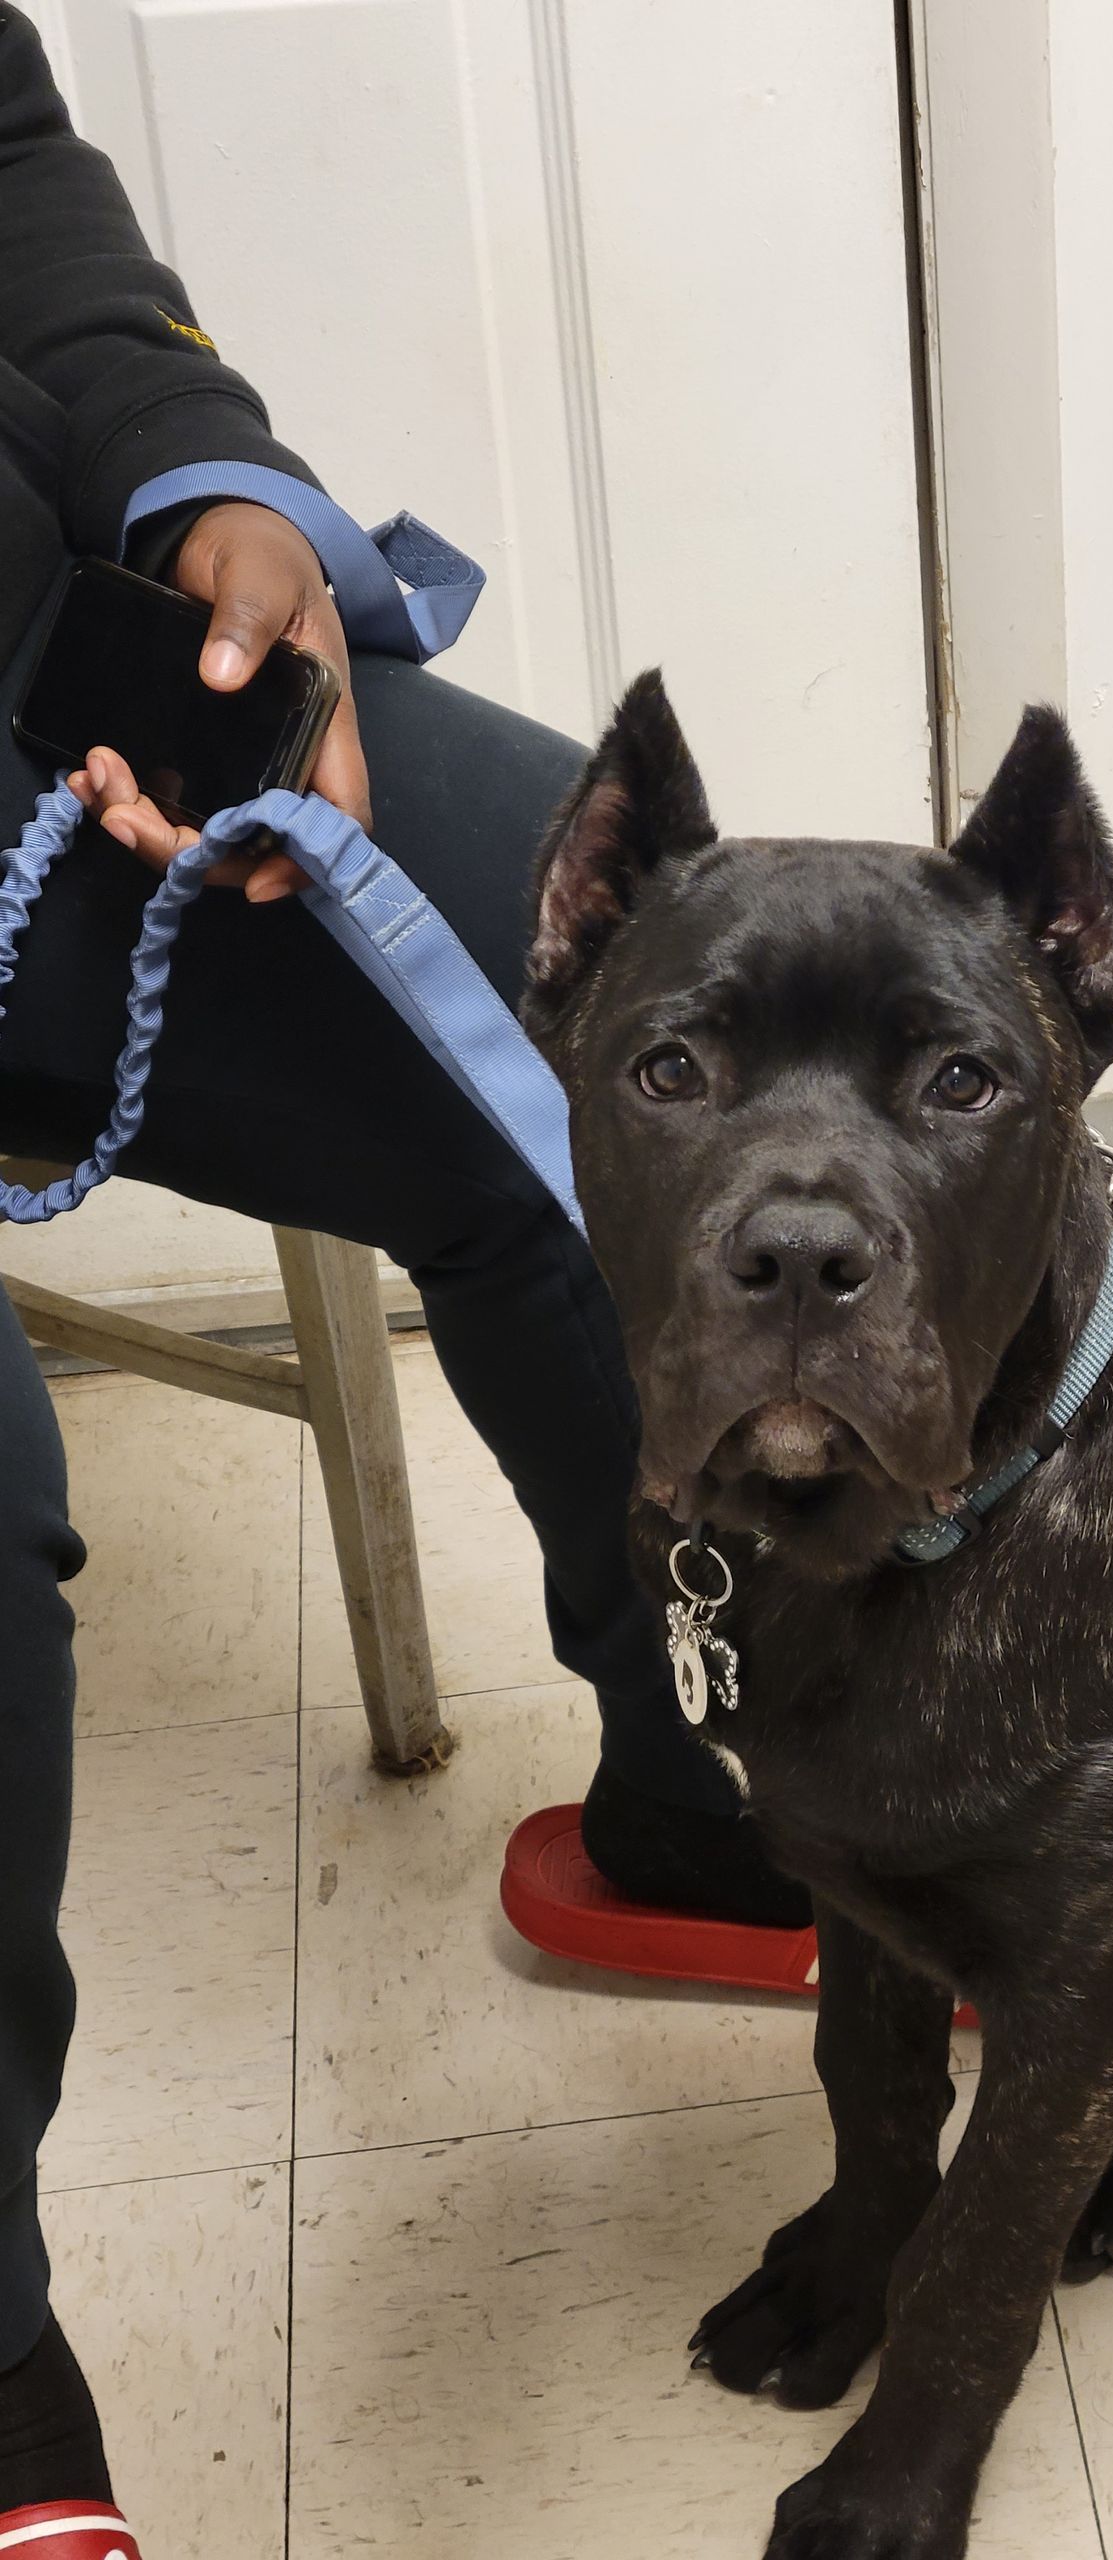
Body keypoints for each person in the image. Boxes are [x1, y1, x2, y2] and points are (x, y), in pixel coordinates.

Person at [0, 9, 805, 2541]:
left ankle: (723, 1793)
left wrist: (204, 490)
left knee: (665, 1029)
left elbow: (16, 176)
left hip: (28, 680)